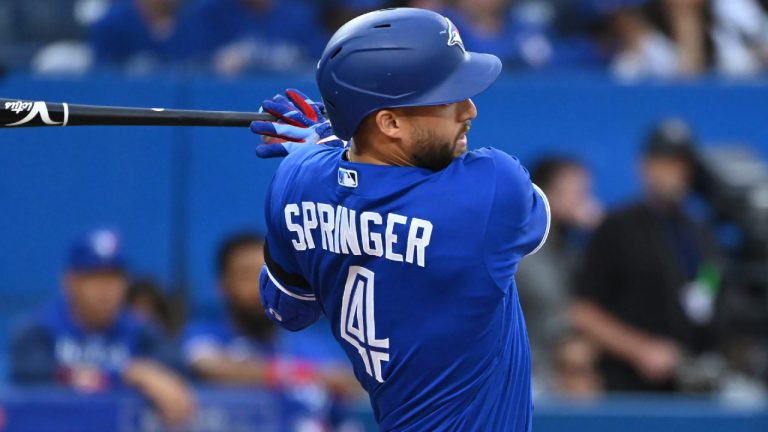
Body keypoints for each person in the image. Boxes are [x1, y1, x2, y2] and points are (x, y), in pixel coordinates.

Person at [248, 8, 549, 431]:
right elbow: (534, 221)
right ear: (389, 122)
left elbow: (287, 312)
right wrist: (329, 137)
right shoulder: (493, 191)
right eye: (448, 98)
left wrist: (328, 150)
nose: (470, 110)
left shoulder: (297, 179)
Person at [571, 118, 723, 392]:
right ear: (643, 165)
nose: (675, 172)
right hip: (630, 388)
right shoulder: (617, 226)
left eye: (681, 163)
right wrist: (641, 350)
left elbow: (708, 282)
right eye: (664, 162)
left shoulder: (698, 230)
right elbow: (583, 311)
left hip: (694, 386)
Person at [10, 229, 195, 425]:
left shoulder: (141, 330)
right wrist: (128, 374)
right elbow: (31, 375)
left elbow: (176, 371)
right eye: (94, 277)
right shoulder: (38, 329)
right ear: (69, 282)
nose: (105, 289)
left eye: (113, 278)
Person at [182, 232, 360, 397]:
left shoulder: (309, 344)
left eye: (270, 275)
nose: (260, 286)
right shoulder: (203, 334)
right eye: (247, 275)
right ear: (223, 285)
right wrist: (305, 376)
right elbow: (208, 367)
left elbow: (350, 380)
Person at [516, 157, 603, 398]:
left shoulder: (571, 250)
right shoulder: (523, 252)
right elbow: (561, 314)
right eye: (579, 192)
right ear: (547, 194)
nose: (587, 203)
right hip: (526, 379)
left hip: (559, 378)